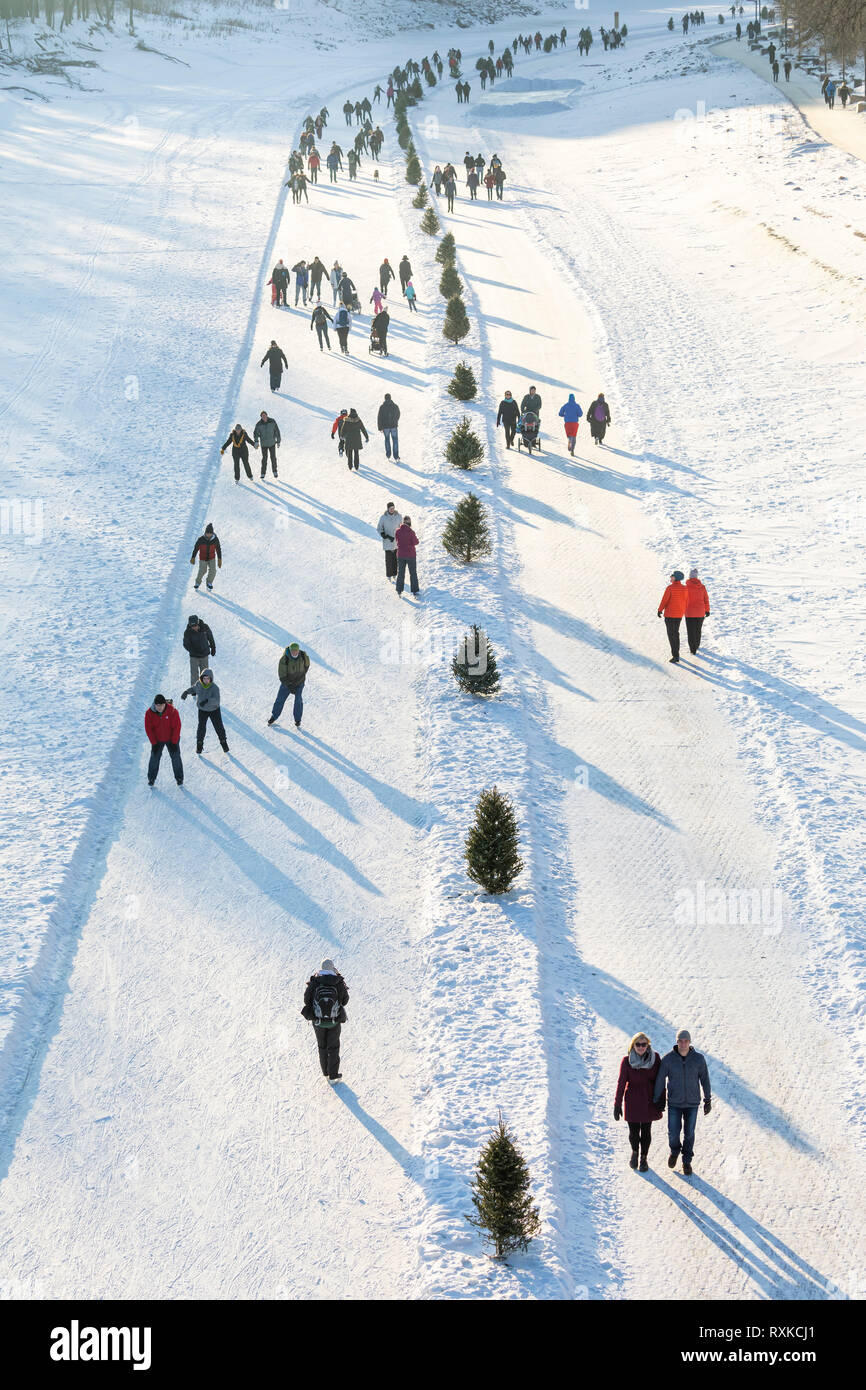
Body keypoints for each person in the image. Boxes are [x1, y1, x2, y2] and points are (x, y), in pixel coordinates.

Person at [653, 1029, 712, 1176]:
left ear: (690, 1042)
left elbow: (705, 1079)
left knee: (689, 1133)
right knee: (673, 1132)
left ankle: (686, 1161)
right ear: (677, 1042)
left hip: (692, 1103)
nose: (683, 1043)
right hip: (674, 1102)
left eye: (686, 1040)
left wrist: (707, 1099)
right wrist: (656, 1099)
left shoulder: (698, 1059)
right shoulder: (668, 1059)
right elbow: (660, 1079)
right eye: (680, 1040)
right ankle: (674, 1151)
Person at [614, 1032, 663, 1171]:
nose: (641, 1047)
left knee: (646, 1131)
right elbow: (621, 1083)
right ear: (633, 1045)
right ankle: (635, 1152)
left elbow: (660, 1081)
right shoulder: (627, 1061)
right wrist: (617, 1104)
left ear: (648, 1045)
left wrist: (661, 1099)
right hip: (633, 1101)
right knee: (634, 1132)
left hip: (649, 1099)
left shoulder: (655, 1059)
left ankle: (644, 1158)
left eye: (643, 1044)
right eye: (638, 1044)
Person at [301, 958, 349, 1082]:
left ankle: (326, 1073)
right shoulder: (338, 981)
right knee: (333, 1047)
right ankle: (333, 1075)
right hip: (334, 1022)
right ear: (333, 968)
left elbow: (306, 1000)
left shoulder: (315, 981)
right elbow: (345, 1001)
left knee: (322, 1046)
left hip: (318, 1021)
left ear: (322, 968)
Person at [181, 668, 229, 755]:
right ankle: (199, 744)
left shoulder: (215, 688)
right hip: (202, 710)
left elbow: (216, 700)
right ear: (201, 678)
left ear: (211, 678)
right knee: (201, 727)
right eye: (204, 678)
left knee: (218, 727)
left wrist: (207, 701)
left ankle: (223, 742)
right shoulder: (199, 684)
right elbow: (194, 688)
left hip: (214, 710)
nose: (206, 680)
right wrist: (186, 692)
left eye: (208, 678)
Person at [268, 640, 310, 728]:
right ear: (290, 651)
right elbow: (282, 675)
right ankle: (274, 716)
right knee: (280, 699)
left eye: (296, 651)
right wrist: (289, 685)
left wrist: (300, 677)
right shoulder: (284, 659)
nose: (294, 652)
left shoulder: (303, 656)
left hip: (299, 683)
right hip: (287, 683)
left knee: (298, 701)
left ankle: (297, 720)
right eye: (292, 651)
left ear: (298, 650)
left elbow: (307, 665)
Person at [145, 694, 183, 787]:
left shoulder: (173, 711)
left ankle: (179, 778)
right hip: (158, 740)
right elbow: (148, 729)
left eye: (162, 705)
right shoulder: (149, 713)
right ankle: (151, 779)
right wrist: (154, 743)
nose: (160, 708)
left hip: (171, 738)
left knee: (176, 757)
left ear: (165, 704)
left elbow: (177, 727)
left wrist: (174, 742)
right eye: (158, 705)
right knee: (154, 758)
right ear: (155, 704)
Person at [658, 570, 687, 663]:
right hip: (679, 615)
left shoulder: (670, 588)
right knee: (676, 633)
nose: (670, 577)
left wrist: (660, 610)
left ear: (675, 578)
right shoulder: (685, 589)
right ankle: (676, 653)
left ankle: (675, 656)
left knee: (672, 635)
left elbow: (664, 600)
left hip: (670, 615)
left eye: (672, 576)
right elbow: (687, 601)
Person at [183, 613, 215, 686]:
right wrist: (194, 651)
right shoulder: (187, 632)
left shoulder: (205, 627)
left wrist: (213, 647)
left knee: (205, 674)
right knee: (194, 674)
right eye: (192, 626)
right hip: (194, 656)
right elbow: (186, 644)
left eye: (195, 625)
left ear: (198, 623)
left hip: (204, 654)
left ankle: (206, 688)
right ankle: (194, 690)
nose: (194, 627)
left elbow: (210, 637)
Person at [684, 567, 710, 654]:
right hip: (700, 612)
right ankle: (697, 645)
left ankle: (693, 648)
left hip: (689, 612)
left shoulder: (686, 587)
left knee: (690, 631)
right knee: (698, 629)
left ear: (690, 577)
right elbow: (706, 599)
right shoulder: (702, 587)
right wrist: (707, 610)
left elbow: (683, 600)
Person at [190, 522, 221, 591]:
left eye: (210, 533)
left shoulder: (215, 540)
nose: (208, 534)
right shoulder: (201, 539)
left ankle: (209, 583)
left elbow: (218, 549)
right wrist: (193, 557)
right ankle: (197, 582)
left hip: (211, 558)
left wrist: (219, 559)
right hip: (203, 558)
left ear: (212, 533)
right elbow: (196, 548)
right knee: (202, 570)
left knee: (213, 571)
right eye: (207, 533)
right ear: (205, 533)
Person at [395, 515, 419, 596]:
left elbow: (397, 540)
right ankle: (414, 590)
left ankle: (399, 590)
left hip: (401, 555)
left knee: (401, 572)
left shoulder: (397, 531)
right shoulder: (411, 532)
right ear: (410, 522)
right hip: (411, 555)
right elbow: (416, 542)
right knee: (413, 573)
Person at [377, 500, 401, 580]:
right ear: (387, 509)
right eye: (390, 508)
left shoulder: (398, 516)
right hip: (387, 541)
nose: (392, 509)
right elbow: (379, 528)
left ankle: (395, 574)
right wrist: (383, 535)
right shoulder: (383, 518)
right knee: (389, 560)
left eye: (393, 508)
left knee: (395, 559)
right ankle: (389, 575)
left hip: (396, 541)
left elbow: (401, 526)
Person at [254, 410, 281, 479]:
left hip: (272, 443)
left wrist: (278, 441)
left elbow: (277, 431)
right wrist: (256, 441)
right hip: (264, 445)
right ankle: (263, 473)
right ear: (261, 417)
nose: (264, 417)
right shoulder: (259, 424)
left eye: (264, 415)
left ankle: (275, 471)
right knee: (264, 459)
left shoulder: (272, 421)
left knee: (273, 458)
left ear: (267, 415)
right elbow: (255, 433)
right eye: (262, 416)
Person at [377, 393, 400, 460]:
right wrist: (395, 421)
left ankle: (388, 454)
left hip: (385, 427)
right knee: (395, 440)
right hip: (393, 426)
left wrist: (380, 427)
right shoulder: (395, 406)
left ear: (385, 398)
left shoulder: (382, 407)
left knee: (387, 440)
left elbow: (379, 418)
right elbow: (398, 414)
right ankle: (396, 456)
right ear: (390, 398)